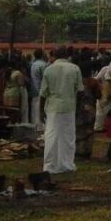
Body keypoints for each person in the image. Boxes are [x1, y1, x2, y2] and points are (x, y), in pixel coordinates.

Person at [40, 46, 84, 174]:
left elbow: (43, 94)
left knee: (51, 136)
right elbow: (80, 91)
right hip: (69, 106)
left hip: (53, 107)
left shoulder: (49, 69)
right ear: (67, 55)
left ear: (55, 55)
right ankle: (67, 164)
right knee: (68, 136)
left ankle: (50, 165)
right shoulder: (75, 68)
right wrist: (78, 107)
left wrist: (41, 111)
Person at [75, 71, 101, 159]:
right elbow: (99, 95)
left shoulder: (77, 81)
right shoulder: (93, 82)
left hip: (79, 109)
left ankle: (78, 151)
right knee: (89, 130)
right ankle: (87, 151)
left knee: (78, 129)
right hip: (90, 108)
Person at [30, 48, 47, 131]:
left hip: (34, 89)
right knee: (41, 109)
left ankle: (36, 126)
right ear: (42, 55)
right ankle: (41, 127)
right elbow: (45, 78)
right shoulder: (43, 65)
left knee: (35, 109)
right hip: (41, 90)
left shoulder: (33, 64)